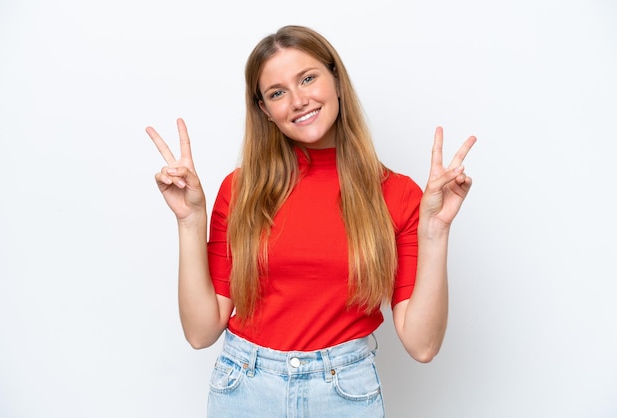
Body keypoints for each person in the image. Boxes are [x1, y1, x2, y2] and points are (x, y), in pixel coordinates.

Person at [146, 25, 476, 418]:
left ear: (336, 79)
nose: (298, 100)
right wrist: (190, 221)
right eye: (277, 93)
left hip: (344, 393)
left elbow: (422, 346)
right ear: (265, 111)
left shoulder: (398, 194)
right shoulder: (241, 190)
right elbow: (201, 332)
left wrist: (436, 231)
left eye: (307, 78)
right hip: (244, 390)